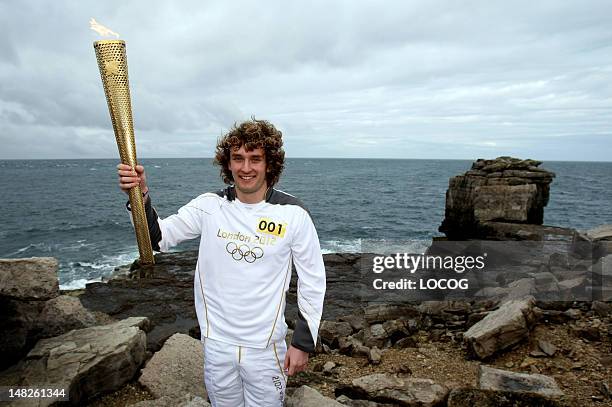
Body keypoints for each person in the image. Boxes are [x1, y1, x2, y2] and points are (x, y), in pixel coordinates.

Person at [117, 118, 326, 406]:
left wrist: (302, 343)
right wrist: (139, 197)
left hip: (265, 349)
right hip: (216, 345)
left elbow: (313, 280)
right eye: (237, 158)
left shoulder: (293, 214)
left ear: (270, 165)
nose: (246, 167)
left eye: (255, 159)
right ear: (227, 164)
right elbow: (158, 239)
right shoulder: (209, 206)